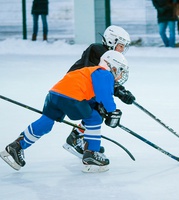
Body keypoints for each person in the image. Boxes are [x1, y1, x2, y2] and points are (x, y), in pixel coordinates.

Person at [0, 50, 129, 173]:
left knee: (46, 122)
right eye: (121, 71)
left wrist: (97, 106)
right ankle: (91, 154)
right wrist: (112, 111)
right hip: (71, 97)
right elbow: (105, 96)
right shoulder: (104, 73)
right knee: (94, 118)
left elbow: (87, 92)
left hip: (55, 94)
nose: (121, 75)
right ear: (113, 66)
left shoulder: (89, 71)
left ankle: (16, 146)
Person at [63, 25, 135, 159]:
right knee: (97, 113)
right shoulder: (98, 52)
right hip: (76, 89)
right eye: (121, 45)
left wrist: (121, 91)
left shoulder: (108, 55)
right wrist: (119, 91)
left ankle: (81, 139)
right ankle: (80, 141)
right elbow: (101, 79)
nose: (123, 49)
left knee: (97, 113)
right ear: (111, 41)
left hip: (85, 89)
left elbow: (106, 81)